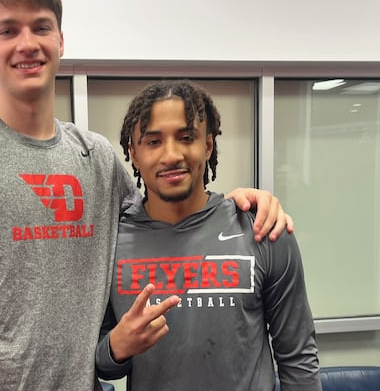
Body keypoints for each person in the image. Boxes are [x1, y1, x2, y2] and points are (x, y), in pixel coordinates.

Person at [0, 0, 291, 391]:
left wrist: (232, 207)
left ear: (60, 41)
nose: (27, 43)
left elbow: (165, 215)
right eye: (8, 30)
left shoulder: (96, 159)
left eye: (41, 27)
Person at [96, 79, 321, 390]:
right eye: (153, 141)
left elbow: (298, 359)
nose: (171, 154)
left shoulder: (261, 228)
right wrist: (116, 348)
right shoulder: (110, 244)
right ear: (133, 153)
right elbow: (100, 364)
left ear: (208, 145)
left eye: (186, 137)